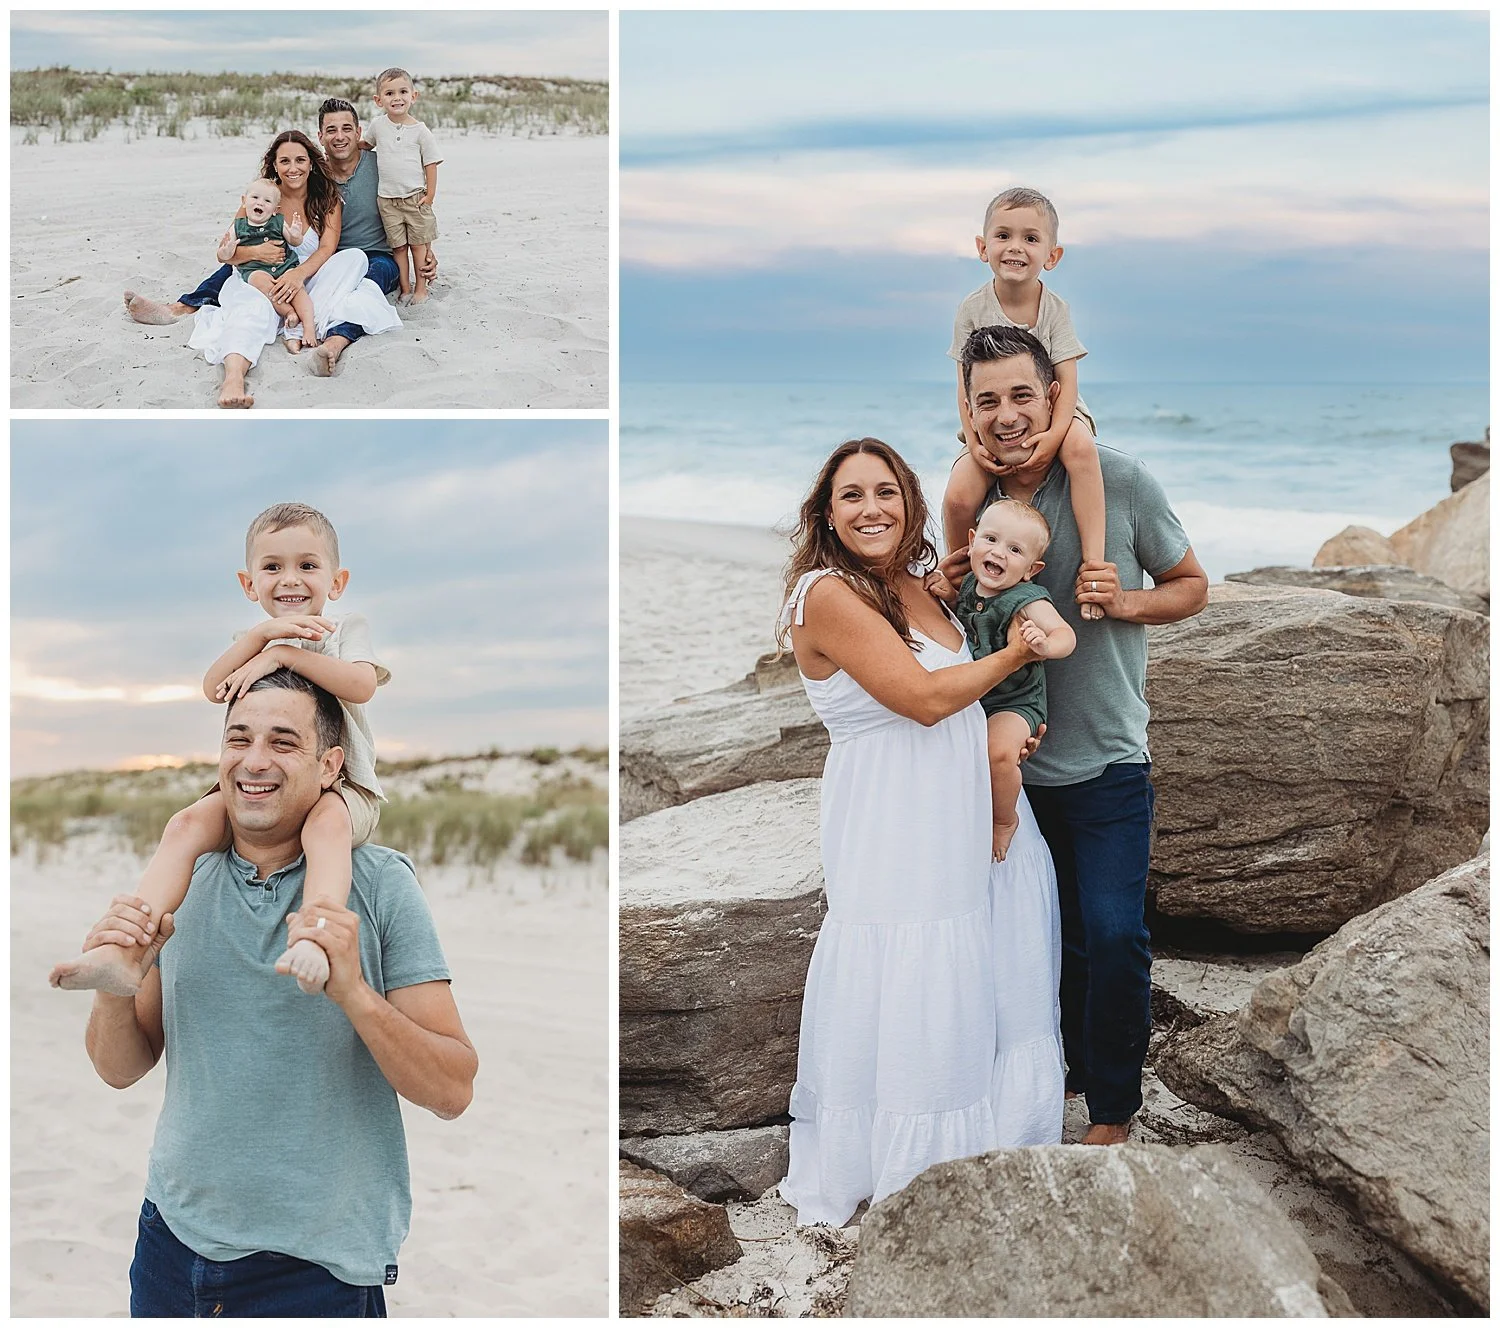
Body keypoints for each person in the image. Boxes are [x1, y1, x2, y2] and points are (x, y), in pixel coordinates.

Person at [79, 667, 477, 1315]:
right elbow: (120, 1068)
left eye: (283, 742)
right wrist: (114, 990)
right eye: (238, 739)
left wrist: (353, 993)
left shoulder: (380, 885)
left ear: (330, 766)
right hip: (169, 1244)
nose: (254, 761)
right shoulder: (181, 882)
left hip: (316, 1270)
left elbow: (453, 1089)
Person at [775, 437, 1065, 1228]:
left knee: (985, 962)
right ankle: (912, 1168)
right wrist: (1012, 657)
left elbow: (961, 694)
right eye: (851, 496)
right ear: (826, 515)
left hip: (968, 807)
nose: (871, 509)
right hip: (895, 819)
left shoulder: (922, 587)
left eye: (886, 492)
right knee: (913, 966)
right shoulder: (826, 593)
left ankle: (990, 1142)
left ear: (910, 502)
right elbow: (926, 699)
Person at [956, 323, 1209, 1145]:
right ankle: (1045, 1084)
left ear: (1054, 395)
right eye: (987, 400)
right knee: (1041, 941)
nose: (1007, 415)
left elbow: (1191, 586)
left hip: (1104, 765)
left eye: (1022, 394)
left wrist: (1123, 599)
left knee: (1113, 932)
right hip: (1008, 775)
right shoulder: (975, 505)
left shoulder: (1120, 481)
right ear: (968, 407)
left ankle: (1111, 1111)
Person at [50, 501, 388, 1000]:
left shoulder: (344, 628)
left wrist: (283, 653)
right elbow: (214, 687)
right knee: (184, 826)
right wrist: (260, 639)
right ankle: (125, 952)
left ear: (336, 582)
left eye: (307, 566)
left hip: (340, 787)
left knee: (326, 827)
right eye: (272, 567)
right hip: (263, 786)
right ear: (249, 584)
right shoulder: (251, 638)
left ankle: (315, 938)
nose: (290, 579)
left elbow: (361, 684)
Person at [122, 98, 431, 382]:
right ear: (321, 137)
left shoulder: (378, 166)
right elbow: (233, 244)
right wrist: (257, 253)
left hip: (370, 254)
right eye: (331, 130)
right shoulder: (285, 187)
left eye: (347, 129)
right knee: (247, 264)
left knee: (365, 283)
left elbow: (414, 204)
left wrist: (426, 252)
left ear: (359, 132)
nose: (340, 136)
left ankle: (334, 343)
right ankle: (179, 308)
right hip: (309, 262)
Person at [943, 187, 1107, 621]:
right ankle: (961, 583)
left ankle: (1093, 564)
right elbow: (963, 385)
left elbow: (1068, 380)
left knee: (1081, 451)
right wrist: (975, 440)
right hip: (988, 417)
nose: (1015, 247)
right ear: (983, 248)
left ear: (1051, 256)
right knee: (960, 494)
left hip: (1057, 407)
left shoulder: (1055, 309)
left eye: (1031, 239)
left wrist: (1055, 435)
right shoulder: (971, 308)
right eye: (1003, 236)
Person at [183, 130, 399, 407]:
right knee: (251, 312)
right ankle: (233, 379)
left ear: (311, 163)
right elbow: (229, 250)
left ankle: (300, 326)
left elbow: (326, 249)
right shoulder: (261, 197)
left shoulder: (327, 198)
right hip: (261, 281)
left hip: (303, 279)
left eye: (300, 160)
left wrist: (297, 275)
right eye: (285, 161)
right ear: (274, 165)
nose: (293, 168)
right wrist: (256, 252)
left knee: (355, 258)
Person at [930, 496, 1076, 862]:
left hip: (1016, 701)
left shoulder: (1027, 599)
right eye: (991, 540)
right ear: (972, 540)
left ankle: (1004, 820)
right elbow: (966, 620)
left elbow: (1066, 636)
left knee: (998, 754)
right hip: (977, 696)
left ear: (1031, 568)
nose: (999, 553)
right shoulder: (967, 586)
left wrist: (1043, 645)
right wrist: (948, 596)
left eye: (1015, 549)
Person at [360, 68, 442, 305]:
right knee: (398, 247)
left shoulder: (420, 131)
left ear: (413, 96)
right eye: (389, 93)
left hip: (415, 197)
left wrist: (430, 195)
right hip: (387, 199)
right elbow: (367, 144)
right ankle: (405, 288)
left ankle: (421, 290)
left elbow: (431, 164)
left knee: (418, 246)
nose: (397, 98)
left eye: (403, 91)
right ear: (379, 100)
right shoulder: (378, 125)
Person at [218, 177, 318, 353]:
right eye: (255, 198)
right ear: (244, 201)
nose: (260, 203)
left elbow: (294, 241)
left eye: (267, 201)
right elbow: (222, 255)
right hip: (255, 269)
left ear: (275, 209)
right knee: (261, 282)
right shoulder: (238, 226)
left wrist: (295, 234)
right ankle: (288, 312)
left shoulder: (279, 221)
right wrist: (227, 250)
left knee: (299, 292)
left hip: (285, 267)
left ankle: (309, 328)